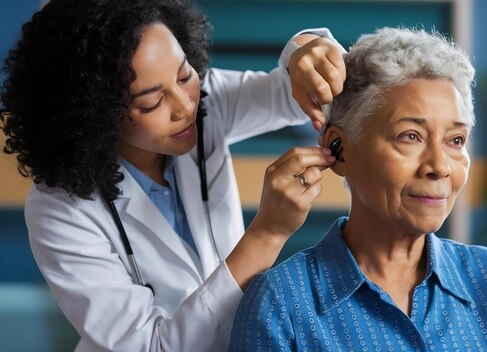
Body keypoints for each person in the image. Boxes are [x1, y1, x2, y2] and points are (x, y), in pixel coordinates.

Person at [0, 0, 345, 350]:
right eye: (151, 103)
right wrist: (268, 233)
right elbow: (151, 346)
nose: (185, 106)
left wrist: (306, 51)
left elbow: (292, 89)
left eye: (184, 75)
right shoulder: (59, 210)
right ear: (94, 113)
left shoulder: (207, 103)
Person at [229, 27, 487, 351]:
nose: (439, 166)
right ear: (339, 148)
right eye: (410, 136)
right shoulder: (280, 305)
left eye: (456, 140)